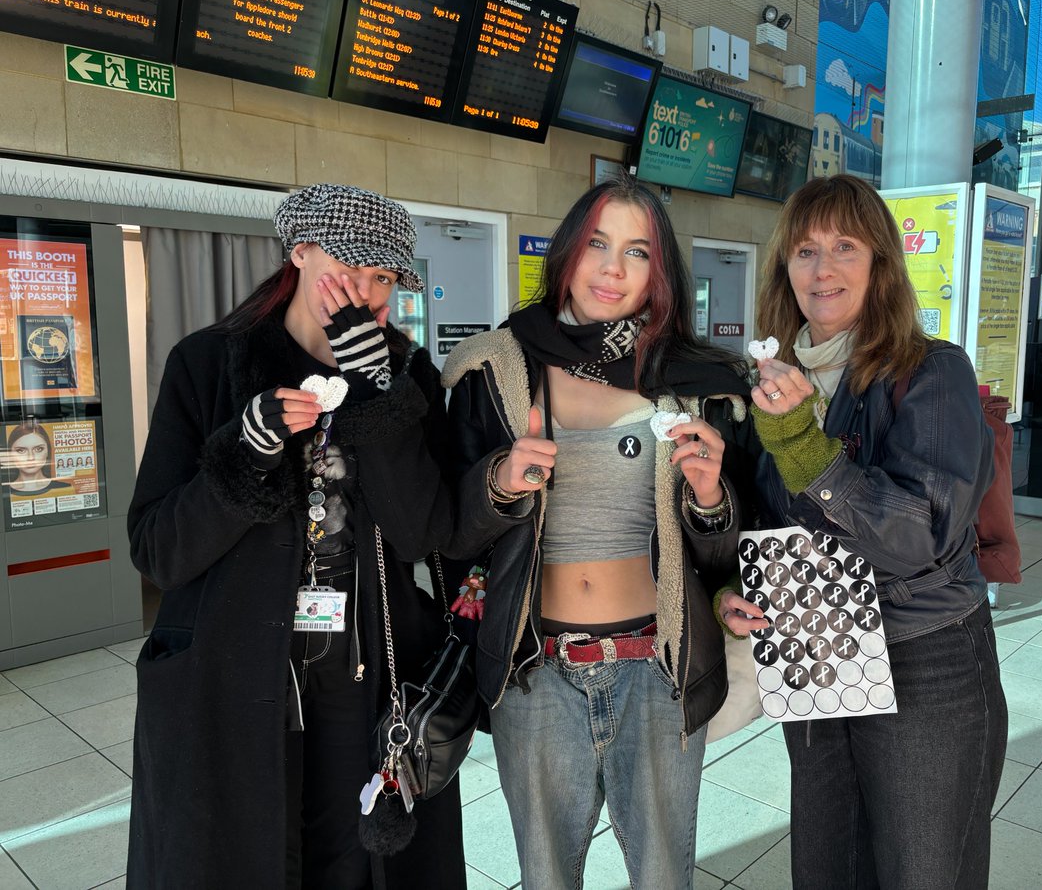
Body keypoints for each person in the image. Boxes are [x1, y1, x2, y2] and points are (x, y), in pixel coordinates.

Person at [126, 184, 465, 889]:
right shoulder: (206, 365)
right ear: (301, 251)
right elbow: (157, 547)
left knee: (358, 863)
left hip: (367, 682)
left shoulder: (408, 377)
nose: (368, 294)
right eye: (352, 269)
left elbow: (421, 533)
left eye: (385, 278)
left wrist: (379, 397)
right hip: (235, 677)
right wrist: (242, 455)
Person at [441, 176, 752, 889]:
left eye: (637, 252)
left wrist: (709, 495)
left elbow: (724, 552)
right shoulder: (495, 368)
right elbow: (449, 532)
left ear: (660, 271)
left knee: (663, 876)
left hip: (658, 668)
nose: (613, 269)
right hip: (536, 673)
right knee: (547, 878)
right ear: (568, 256)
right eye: (597, 245)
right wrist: (498, 483)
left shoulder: (695, 379)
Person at [718, 174, 1007, 888]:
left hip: (923, 652)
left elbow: (920, 535)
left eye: (846, 246)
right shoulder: (772, 381)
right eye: (806, 250)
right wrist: (731, 586)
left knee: (921, 867)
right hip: (815, 641)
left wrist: (802, 441)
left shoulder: (930, 370)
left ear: (880, 262)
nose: (824, 269)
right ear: (784, 267)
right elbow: (760, 519)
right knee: (827, 866)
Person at [3, 421, 70, 494]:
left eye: (38, 449)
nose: (31, 457)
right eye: (21, 450)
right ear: (10, 454)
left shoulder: (64, 488)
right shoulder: (3, 492)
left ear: (48, 451)